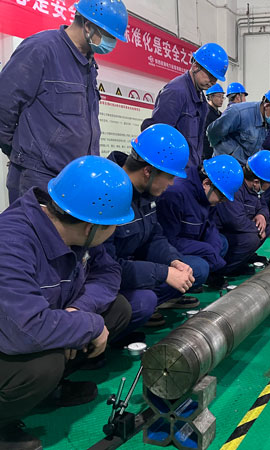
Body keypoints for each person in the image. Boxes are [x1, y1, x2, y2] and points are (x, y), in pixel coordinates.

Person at [0, 156, 134, 450]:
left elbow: (109, 272)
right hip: (11, 337)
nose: (115, 231)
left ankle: (49, 391)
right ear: (91, 227)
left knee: (118, 309)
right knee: (42, 366)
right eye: (112, 226)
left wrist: (79, 312)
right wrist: (88, 325)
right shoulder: (11, 242)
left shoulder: (75, 229)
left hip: (34, 326)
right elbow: (24, 329)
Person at [0, 0, 129, 204]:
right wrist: (21, 154)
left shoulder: (88, 64)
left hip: (74, 179)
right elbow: (4, 104)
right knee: (36, 226)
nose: (111, 43)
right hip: (38, 178)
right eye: (109, 36)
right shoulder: (41, 48)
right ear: (88, 26)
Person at [104, 124, 204, 331]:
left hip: (131, 267)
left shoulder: (146, 193)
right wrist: (162, 273)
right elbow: (106, 267)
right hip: (109, 277)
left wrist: (173, 261)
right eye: (170, 177)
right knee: (144, 302)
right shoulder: (107, 197)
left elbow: (154, 237)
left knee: (194, 269)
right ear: (148, 171)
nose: (171, 184)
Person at [157, 155, 244, 288]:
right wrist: (206, 250)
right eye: (221, 197)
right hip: (170, 249)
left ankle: (206, 274)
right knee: (200, 268)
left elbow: (210, 224)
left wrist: (213, 249)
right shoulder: (175, 194)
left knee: (221, 243)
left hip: (190, 239)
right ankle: (169, 292)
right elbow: (168, 241)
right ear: (206, 183)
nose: (221, 202)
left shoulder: (206, 194)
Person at [141, 42, 229, 168]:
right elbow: (158, 136)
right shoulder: (176, 92)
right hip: (173, 170)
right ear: (195, 66)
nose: (212, 82)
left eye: (215, 78)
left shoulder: (201, 99)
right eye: (210, 75)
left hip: (189, 168)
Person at [215, 150, 270, 275]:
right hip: (223, 231)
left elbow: (263, 204)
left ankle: (243, 258)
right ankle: (225, 269)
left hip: (239, 227)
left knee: (265, 226)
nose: (268, 188)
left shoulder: (253, 189)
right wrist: (257, 229)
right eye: (268, 184)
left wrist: (262, 215)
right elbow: (235, 221)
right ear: (256, 182)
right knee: (251, 238)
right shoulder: (236, 187)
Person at [207, 85, 270, 164]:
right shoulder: (238, 112)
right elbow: (212, 132)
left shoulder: (266, 120)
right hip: (226, 164)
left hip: (245, 166)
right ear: (267, 106)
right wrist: (230, 153)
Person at [202, 83, 225, 161]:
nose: (221, 99)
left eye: (222, 97)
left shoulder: (220, 114)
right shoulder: (205, 113)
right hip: (206, 153)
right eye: (219, 96)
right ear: (210, 97)